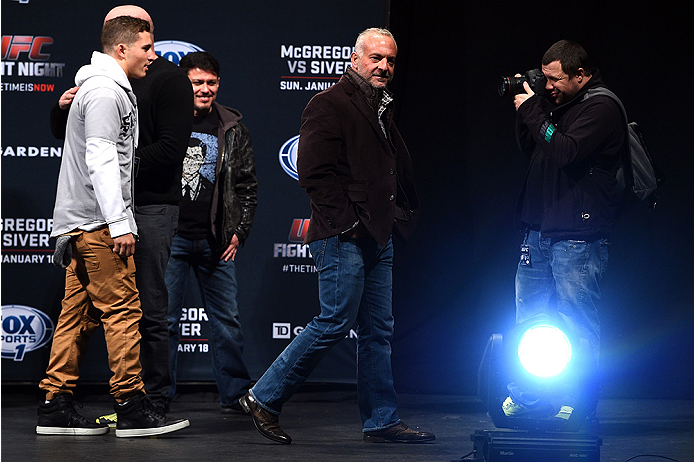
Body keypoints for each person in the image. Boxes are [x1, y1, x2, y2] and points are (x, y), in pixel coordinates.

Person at [239, 28, 434, 445]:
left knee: (378, 331)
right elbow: (313, 172)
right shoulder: (327, 104)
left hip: (379, 235)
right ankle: (263, 396)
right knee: (333, 321)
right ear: (355, 59)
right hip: (343, 234)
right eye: (376, 58)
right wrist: (347, 224)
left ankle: (382, 419)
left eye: (391, 61)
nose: (384, 66)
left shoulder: (381, 106)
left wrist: (393, 216)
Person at [37, 16, 188, 437]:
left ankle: (55, 403)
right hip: (98, 222)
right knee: (124, 311)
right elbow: (102, 161)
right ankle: (131, 406)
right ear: (122, 49)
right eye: (146, 48)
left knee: (76, 316)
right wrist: (120, 222)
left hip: (80, 223)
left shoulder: (98, 87)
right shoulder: (105, 92)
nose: (153, 56)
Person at [502, 40, 626, 420]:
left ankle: (580, 399)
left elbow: (567, 151)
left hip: (578, 235)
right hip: (538, 230)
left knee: (577, 320)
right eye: (546, 78)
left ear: (581, 75)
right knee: (528, 318)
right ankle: (528, 396)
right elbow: (533, 148)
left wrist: (535, 110)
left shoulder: (601, 107)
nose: (549, 86)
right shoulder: (557, 107)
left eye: (555, 79)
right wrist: (528, 111)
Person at [166, 51, 257, 413]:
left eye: (211, 83)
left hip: (216, 240)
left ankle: (235, 395)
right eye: (197, 83)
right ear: (183, 84)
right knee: (165, 322)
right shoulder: (163, 120)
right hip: (170, 238)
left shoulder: (233, 127)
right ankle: (158, 396)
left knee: (228, 323)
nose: (205, 89)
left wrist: (239, 231)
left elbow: (247, 185)